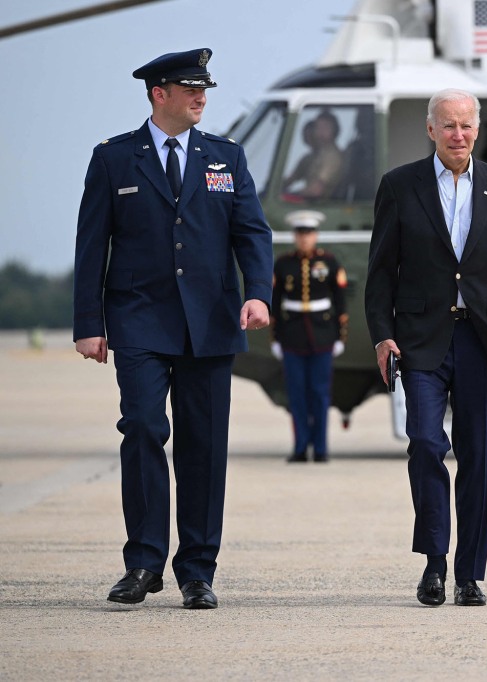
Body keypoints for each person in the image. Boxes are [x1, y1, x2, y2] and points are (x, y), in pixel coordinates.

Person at [73, 48, 273, 610]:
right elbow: (93, 245)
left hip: (209, 322)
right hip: (137, 318)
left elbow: (252, 234)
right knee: (141, 427)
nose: (201, 98)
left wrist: (257, 293)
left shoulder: (226, 156)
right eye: (190, 89)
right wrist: (89, 323)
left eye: (204, 88)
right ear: (159, 94)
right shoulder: (114, 159)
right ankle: (142, 562)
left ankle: (196, 571)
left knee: (204, 447)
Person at [365, 88, 487, 607]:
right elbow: (380, 271)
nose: (457, 134)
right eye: (448, 126)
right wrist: (381, 333)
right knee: (424, 442)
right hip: (419, 339)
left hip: (482, 338)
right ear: (430, 129)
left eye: (465, 125)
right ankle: (434, 561)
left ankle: (469, 574)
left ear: (477, 129)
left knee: (480, 457)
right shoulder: (399, 186)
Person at [270, 210, 349, 463]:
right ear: (295, 237)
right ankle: (301, 447)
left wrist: (339, 336)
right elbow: (275, 304)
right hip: (292, 337)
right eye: (300, 234)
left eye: (309, 234)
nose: (305, 239)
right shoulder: (283, 264)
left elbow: (340, 302)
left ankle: (321, 447)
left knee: (320, 393)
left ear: (315, 236)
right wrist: (276, 339)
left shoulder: (329, 261)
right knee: (296, 394)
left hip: (322, 335)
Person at [282, 110, 345, 201]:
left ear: (335, 130)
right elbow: (292, 178)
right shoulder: (315, 155)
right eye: (318, 127)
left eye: (326, 127)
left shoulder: (332, 156)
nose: (321, 132)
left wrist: (290, 196)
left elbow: (316, 190)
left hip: (320, 205)